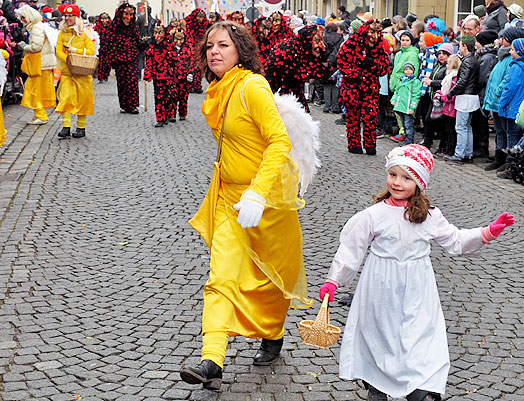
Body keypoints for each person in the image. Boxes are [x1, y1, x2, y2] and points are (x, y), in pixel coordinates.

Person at [319, 143, 515, 401]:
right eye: (393, 175)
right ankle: (377, 385)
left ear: (419, 182)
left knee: (419, 334)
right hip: (380, 286)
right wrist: (334, 280)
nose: (397, 182)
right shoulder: (373, 215)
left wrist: (487, 233)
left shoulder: (430, 216)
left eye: (406, 177)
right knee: (380, 334)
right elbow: (351, 249)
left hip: (418, 287)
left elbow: (454, 240)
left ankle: (422, 389)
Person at [180, 21, 311, 391]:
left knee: (271, 277)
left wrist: (257, 192)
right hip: (227, 200)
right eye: (209, 46)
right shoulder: (217, 88)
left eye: (223, 45)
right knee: (220, 275)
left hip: (266, 201)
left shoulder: (252, 86)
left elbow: (278, 142)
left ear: (240, 50)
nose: (214, 52)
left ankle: (272, 332)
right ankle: (211, 360)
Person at [337, 19, 389, 155]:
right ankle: (354, 144)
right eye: (372, 32)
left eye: (378, 32)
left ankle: (370, 145)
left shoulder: (379, 47)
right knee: (353, 116)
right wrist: (356, 75)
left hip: (370, 87)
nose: (375, 36)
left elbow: (384, 68)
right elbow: (341, 62)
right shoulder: (352, 43)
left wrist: (373, 63)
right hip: (352, 86)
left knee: (370, 115)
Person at [483, 27, 524, 171]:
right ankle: (499, 158)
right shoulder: (501, 57)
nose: (501, 41)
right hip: (498, 101)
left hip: (506, 103)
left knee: (509, 134)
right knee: (499, 132)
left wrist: (499, 95)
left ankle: (509, 163)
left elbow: (508, 84)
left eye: (504, 39)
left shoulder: (513, 63)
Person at [264, 24, 329, 112]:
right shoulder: (290, 49)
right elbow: (304, 74)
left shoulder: (303, 48)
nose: (321, 45)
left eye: (321, 40)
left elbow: (323, 75)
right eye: (317, 41)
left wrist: (323, 59)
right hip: (278, 93)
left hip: (293, 90)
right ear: (308, 40)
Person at [54, 3, 94, 139]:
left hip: (82, 72)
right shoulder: (62, 32)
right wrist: (67, 59)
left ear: (76, 18)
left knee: (82, 101)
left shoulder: (86, 32)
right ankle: (66, 126)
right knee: (65, 98)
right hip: (67, 72)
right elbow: (58, 50)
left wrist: (75, 52)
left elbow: (91, 51)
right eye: (66, 15)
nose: (67, 18)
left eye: (71, 16)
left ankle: (81, 127)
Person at [100, 3, 146, 114]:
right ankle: (124, 105)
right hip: (119, 59)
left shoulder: (133, 26)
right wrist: (112, 59)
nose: (128, 17)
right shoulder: (114, 26)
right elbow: (109, 43)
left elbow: (137, 41)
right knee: (122, 82)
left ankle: (133, 106)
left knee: (132, 81)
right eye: (126, 14)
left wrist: (144, 44)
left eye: (131, 14)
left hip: (132, 58)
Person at [17, 5, 56, 125]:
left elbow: (36, 47)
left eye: (23, 17)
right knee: (37, 90)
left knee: (33, 90)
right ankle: (39, 114)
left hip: (40, 64)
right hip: (43, 64)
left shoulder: (36, 28)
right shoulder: (39, 26)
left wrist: (24, 46)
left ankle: (41, 115)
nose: (22, 20)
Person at [443, 36, 480, 164]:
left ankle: (459, 154)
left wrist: (450, 94)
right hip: (470, 96)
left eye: (460, 46)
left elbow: (462, 81)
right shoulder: (473, 60)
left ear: (465, 46)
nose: (459, 48)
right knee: (467, 126)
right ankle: (467, 153)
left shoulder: (468, 61)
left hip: (465, 97)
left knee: (461, 127)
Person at [496, 37, 524, 179]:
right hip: (518, 107)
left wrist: (502, 103)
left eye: (512, 49)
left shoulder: (517, 67)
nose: (510, 51)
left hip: (512, 107)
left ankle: (510, 166)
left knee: (511, 137)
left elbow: (510, 88)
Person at [419, 42, 453, 150]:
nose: (441, 56)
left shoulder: (448, 68)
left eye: (444, 54)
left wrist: (431, 82)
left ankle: (441, 146)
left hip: (442, 99)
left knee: (440, 123)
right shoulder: (437, 65)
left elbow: (445, 82)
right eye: (440, 53)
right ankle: (427, 142)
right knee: (429, 120)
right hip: (433, 98)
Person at [389, 31, 420, 142]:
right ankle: (401, 131)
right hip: (398, 85)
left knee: (405, 114)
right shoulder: (399, 53)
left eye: (407, 40)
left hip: (406, 87)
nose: (404, 42)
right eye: (402, 40)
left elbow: (413, 71)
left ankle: (405, 134)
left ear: (411, 41)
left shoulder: (412, 54)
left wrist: (409, 83)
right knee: (398, 112)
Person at [472, 29, 498, 158]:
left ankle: (482, 147)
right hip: (480, 92)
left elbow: (481, 77)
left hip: (482, 93)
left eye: (477, 41)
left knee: (481, 122)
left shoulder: (487, 57)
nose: (476, 43)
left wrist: (473, 87)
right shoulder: (482, 55)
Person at [143, 24, 175, 127]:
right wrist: (147, 74)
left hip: (168, 75)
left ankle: (167, 115)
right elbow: (148, 61)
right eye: (155, 33)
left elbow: (174, 59)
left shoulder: (169, 44)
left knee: (168, 97)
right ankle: (160, 118)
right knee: (159, 97)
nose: (158, 35)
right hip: (157, 76)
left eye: (160, 33)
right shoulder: (152, 47)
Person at [434, 54, 462, 157]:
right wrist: (438, 93)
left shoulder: (454, 78)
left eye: (449, 63)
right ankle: (446, 149)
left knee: (451, 131)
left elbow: (452, 95)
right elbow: (443, 90)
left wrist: (441, 97)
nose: (447, 65)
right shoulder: (448, 76)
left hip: (451, 110)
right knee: (446, 130)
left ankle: (450, 151)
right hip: (446, 108)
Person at [390, 62, 422, 145]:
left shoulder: (415, 82)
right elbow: (396, 92)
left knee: (408, 126)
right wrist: (394, 100)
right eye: (406, 69)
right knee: (404, 125)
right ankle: (406, 141)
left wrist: (412, 108)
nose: (408, 71)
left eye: (410, 69)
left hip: (408, 108)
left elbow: (415, 96)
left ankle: (409, 142)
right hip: (400, 107)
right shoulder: (401, 80)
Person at [171, 29, 195, 121]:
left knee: (183, 97)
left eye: (181, 40)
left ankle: (182, 113)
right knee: (172, 97)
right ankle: (172, 114)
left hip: (185, 77)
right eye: (176, 39)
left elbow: (192, 62)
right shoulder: (170, 48)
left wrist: (191, 73)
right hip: (174, 76)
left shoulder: (188, 49)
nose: (179, 42)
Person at [184, 8, 208, 93]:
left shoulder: (205, 23)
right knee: (189, 67)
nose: (200, 20)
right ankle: (189, 86)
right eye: (199, 17)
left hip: (199, 47)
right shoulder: (187, 22)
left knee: (198, 68)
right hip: (189, 46)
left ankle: (197, 85)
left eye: (202, 18)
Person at [322, 22, 343, 113]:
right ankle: (335, 107)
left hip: (326, 63)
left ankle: (327, 106)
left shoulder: (324, 37)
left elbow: (323, 50)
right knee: (335, 86)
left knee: (326, 85)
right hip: (336, 63)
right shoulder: (340, 38)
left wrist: (324, 60)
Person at [94, 12, 111, 83]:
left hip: (108, 47)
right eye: (103, 19)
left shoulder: (111, 27)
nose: (104, 21)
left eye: (105, 19)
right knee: (100, 63)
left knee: (108, 63)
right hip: (100, 47)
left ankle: (106, 75)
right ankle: (100, 77)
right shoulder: (97, 27)